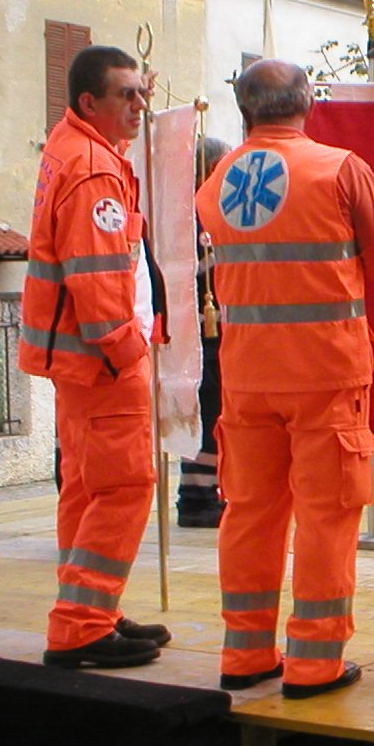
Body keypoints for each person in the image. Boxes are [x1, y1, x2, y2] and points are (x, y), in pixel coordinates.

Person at [195, 60, 374, 699]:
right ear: (307, 102)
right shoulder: (342, 170)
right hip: (325, 374)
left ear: (244, 109)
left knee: (250, 514)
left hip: (246, 378)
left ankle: (246, 650)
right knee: (326, 515)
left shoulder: (216, 182)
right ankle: (314, 660)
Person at [22, 45, 171, 669]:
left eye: (142, 93)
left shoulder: (73, 148)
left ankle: (88, 609)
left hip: (78, 363)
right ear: (90, 103)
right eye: (127, 95)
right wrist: (127, 347)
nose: (140, 105)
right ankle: (82, 624)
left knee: (86, 489)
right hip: (104, 360)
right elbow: (99, 278)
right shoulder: (93, 169)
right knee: (125, 486)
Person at [177, 135, 230, 528]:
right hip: (200, 331)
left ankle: (204, 489)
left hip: (209, 329)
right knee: (207, 407)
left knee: (212, 409)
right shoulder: (191, 217)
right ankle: (195, 496)